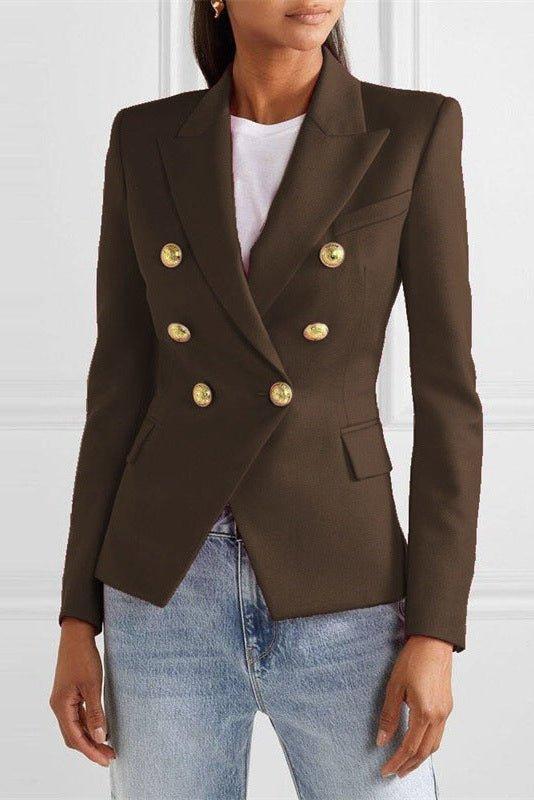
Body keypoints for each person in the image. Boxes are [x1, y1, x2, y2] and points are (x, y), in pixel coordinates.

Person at [50, 1, 483, 797]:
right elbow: (118, 390)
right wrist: (79, 616)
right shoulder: (146, 138)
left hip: (344, 579)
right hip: (164, 592)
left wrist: (435, 630)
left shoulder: (411, 129)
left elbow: (448, 396)